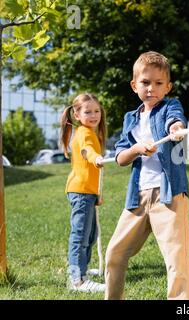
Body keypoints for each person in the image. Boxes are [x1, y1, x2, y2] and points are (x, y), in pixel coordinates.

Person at [105, 51, 189, 300]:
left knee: (177, 260)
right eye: (145, 82)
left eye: (158, 83)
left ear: (168, 87)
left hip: (169, 196)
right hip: (138, 198)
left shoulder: (170, 106)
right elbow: (121, 158)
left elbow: (175, 120)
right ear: (135, 85)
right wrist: (136, 149)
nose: (151, 89)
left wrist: (176, 129)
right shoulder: (130, 119)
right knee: (114, 254)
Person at [60, 93, 107, 293]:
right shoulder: (84, 133)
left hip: (87, 192)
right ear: (77, 115)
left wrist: (97, 194)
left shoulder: (90, 131)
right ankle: (78, 280)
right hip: (80, 192)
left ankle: (83, 269)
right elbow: (86, 151)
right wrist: (96, 157)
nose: (94, 115)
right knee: (80, 235)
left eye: (97, 111)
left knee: (90, 234)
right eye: (88, 111)